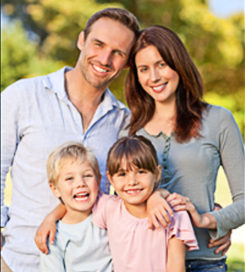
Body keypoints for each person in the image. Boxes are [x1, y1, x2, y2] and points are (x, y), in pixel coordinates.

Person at [1, 7, 140, 272]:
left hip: (91, 265)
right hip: (20, 260)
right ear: (81, 40)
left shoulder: (124, 121)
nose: (105, 58)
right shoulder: (22, 96)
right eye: (98, 44)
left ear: (127, 62)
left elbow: (134, 188)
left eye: (118, 53)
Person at [122, 25, 245, 271]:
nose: (153, 77)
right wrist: (154, 197)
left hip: (205, 262)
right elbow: (120, 199)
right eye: (143, 69)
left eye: (161, 64)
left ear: (179, 63)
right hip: (145, 261)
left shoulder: (218, 119)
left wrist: (210, 220)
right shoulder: (130, 129)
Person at [92, 135, 198, 272]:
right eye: (122, 174)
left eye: (141, 172)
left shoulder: (174, 213)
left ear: (157, 173)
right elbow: (74, 201)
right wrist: (53, 216)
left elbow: (175, 265)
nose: (132, 181)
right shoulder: (108, 207)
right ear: (111, 179)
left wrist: (159, 194)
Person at [40, 141, 112, 272]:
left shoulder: (111, 212)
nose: (80, 183)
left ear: (99, 180)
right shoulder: (54, 236)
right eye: (69, 178)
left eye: (87, 175)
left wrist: (158, 195)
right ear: (55, 189)